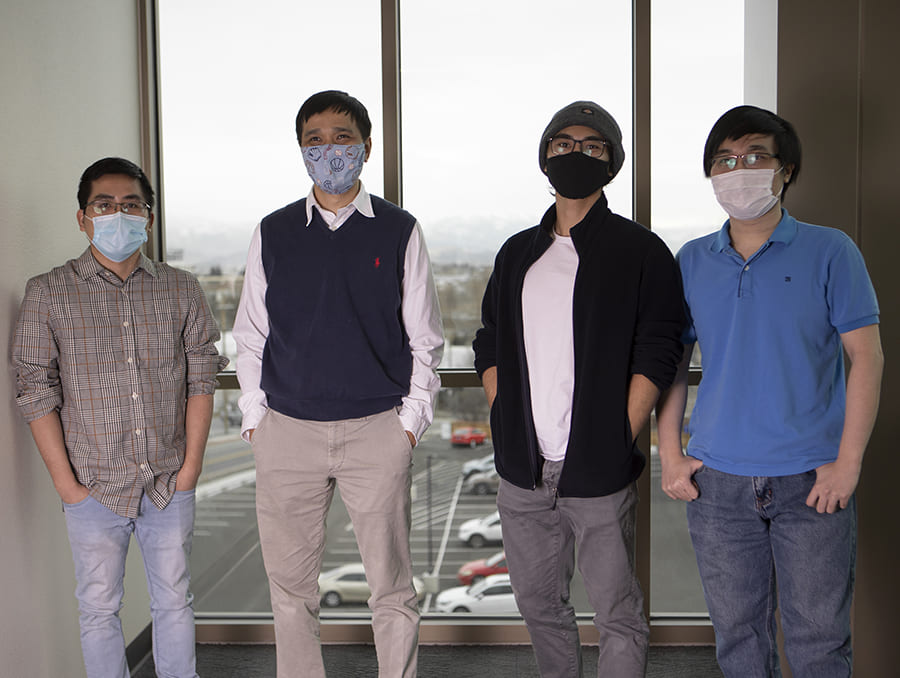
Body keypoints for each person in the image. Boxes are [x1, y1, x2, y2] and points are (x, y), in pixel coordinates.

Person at [656, 105, 884, 678]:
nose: (739, 170)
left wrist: (847, 463)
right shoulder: (691, 261)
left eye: (755, 156)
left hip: (813, 480)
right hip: (718, 485)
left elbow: (867, 358)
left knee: (819, 643)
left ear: (787, 170)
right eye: (725, 161)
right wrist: (671, 455)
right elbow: (673, 367)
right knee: (739, 642)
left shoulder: (832, 251)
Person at [233, 90, 443, 678]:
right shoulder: (272, 232)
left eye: (342, 138)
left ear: (366, 147)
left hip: (376, 430)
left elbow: (425, 338)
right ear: (301, 150)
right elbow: (250, 334)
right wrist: (255, 417)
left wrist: (409, 424)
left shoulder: (399, 229)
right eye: (315, 140)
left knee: (392, 587)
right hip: (287, 432)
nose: (329, 151)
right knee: (290, 590)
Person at [473, 101, 685, 677]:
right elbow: (489, 341)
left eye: (592, 145)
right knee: (540, 605)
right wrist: (505, 412)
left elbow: (662, 345)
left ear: (612, 162)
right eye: (563, 143)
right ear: (545, 157)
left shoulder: (640, 250)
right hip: (523, 469)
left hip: (597, 467)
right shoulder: (518, 252)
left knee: (616, 611)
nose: (576, 153)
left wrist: (622, 429)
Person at [11, 157, 227, 678]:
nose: (118, 214)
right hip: (90, 484)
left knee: (174, 601)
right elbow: (34, 388)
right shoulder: (48, 293)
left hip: (166, 480)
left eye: (131, 204)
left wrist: (189, 470)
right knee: (98, 609)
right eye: (103, 205)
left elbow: (202, 378)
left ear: (148, 216)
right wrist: (67, 485)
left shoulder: (181, 288)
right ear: (82, 218)